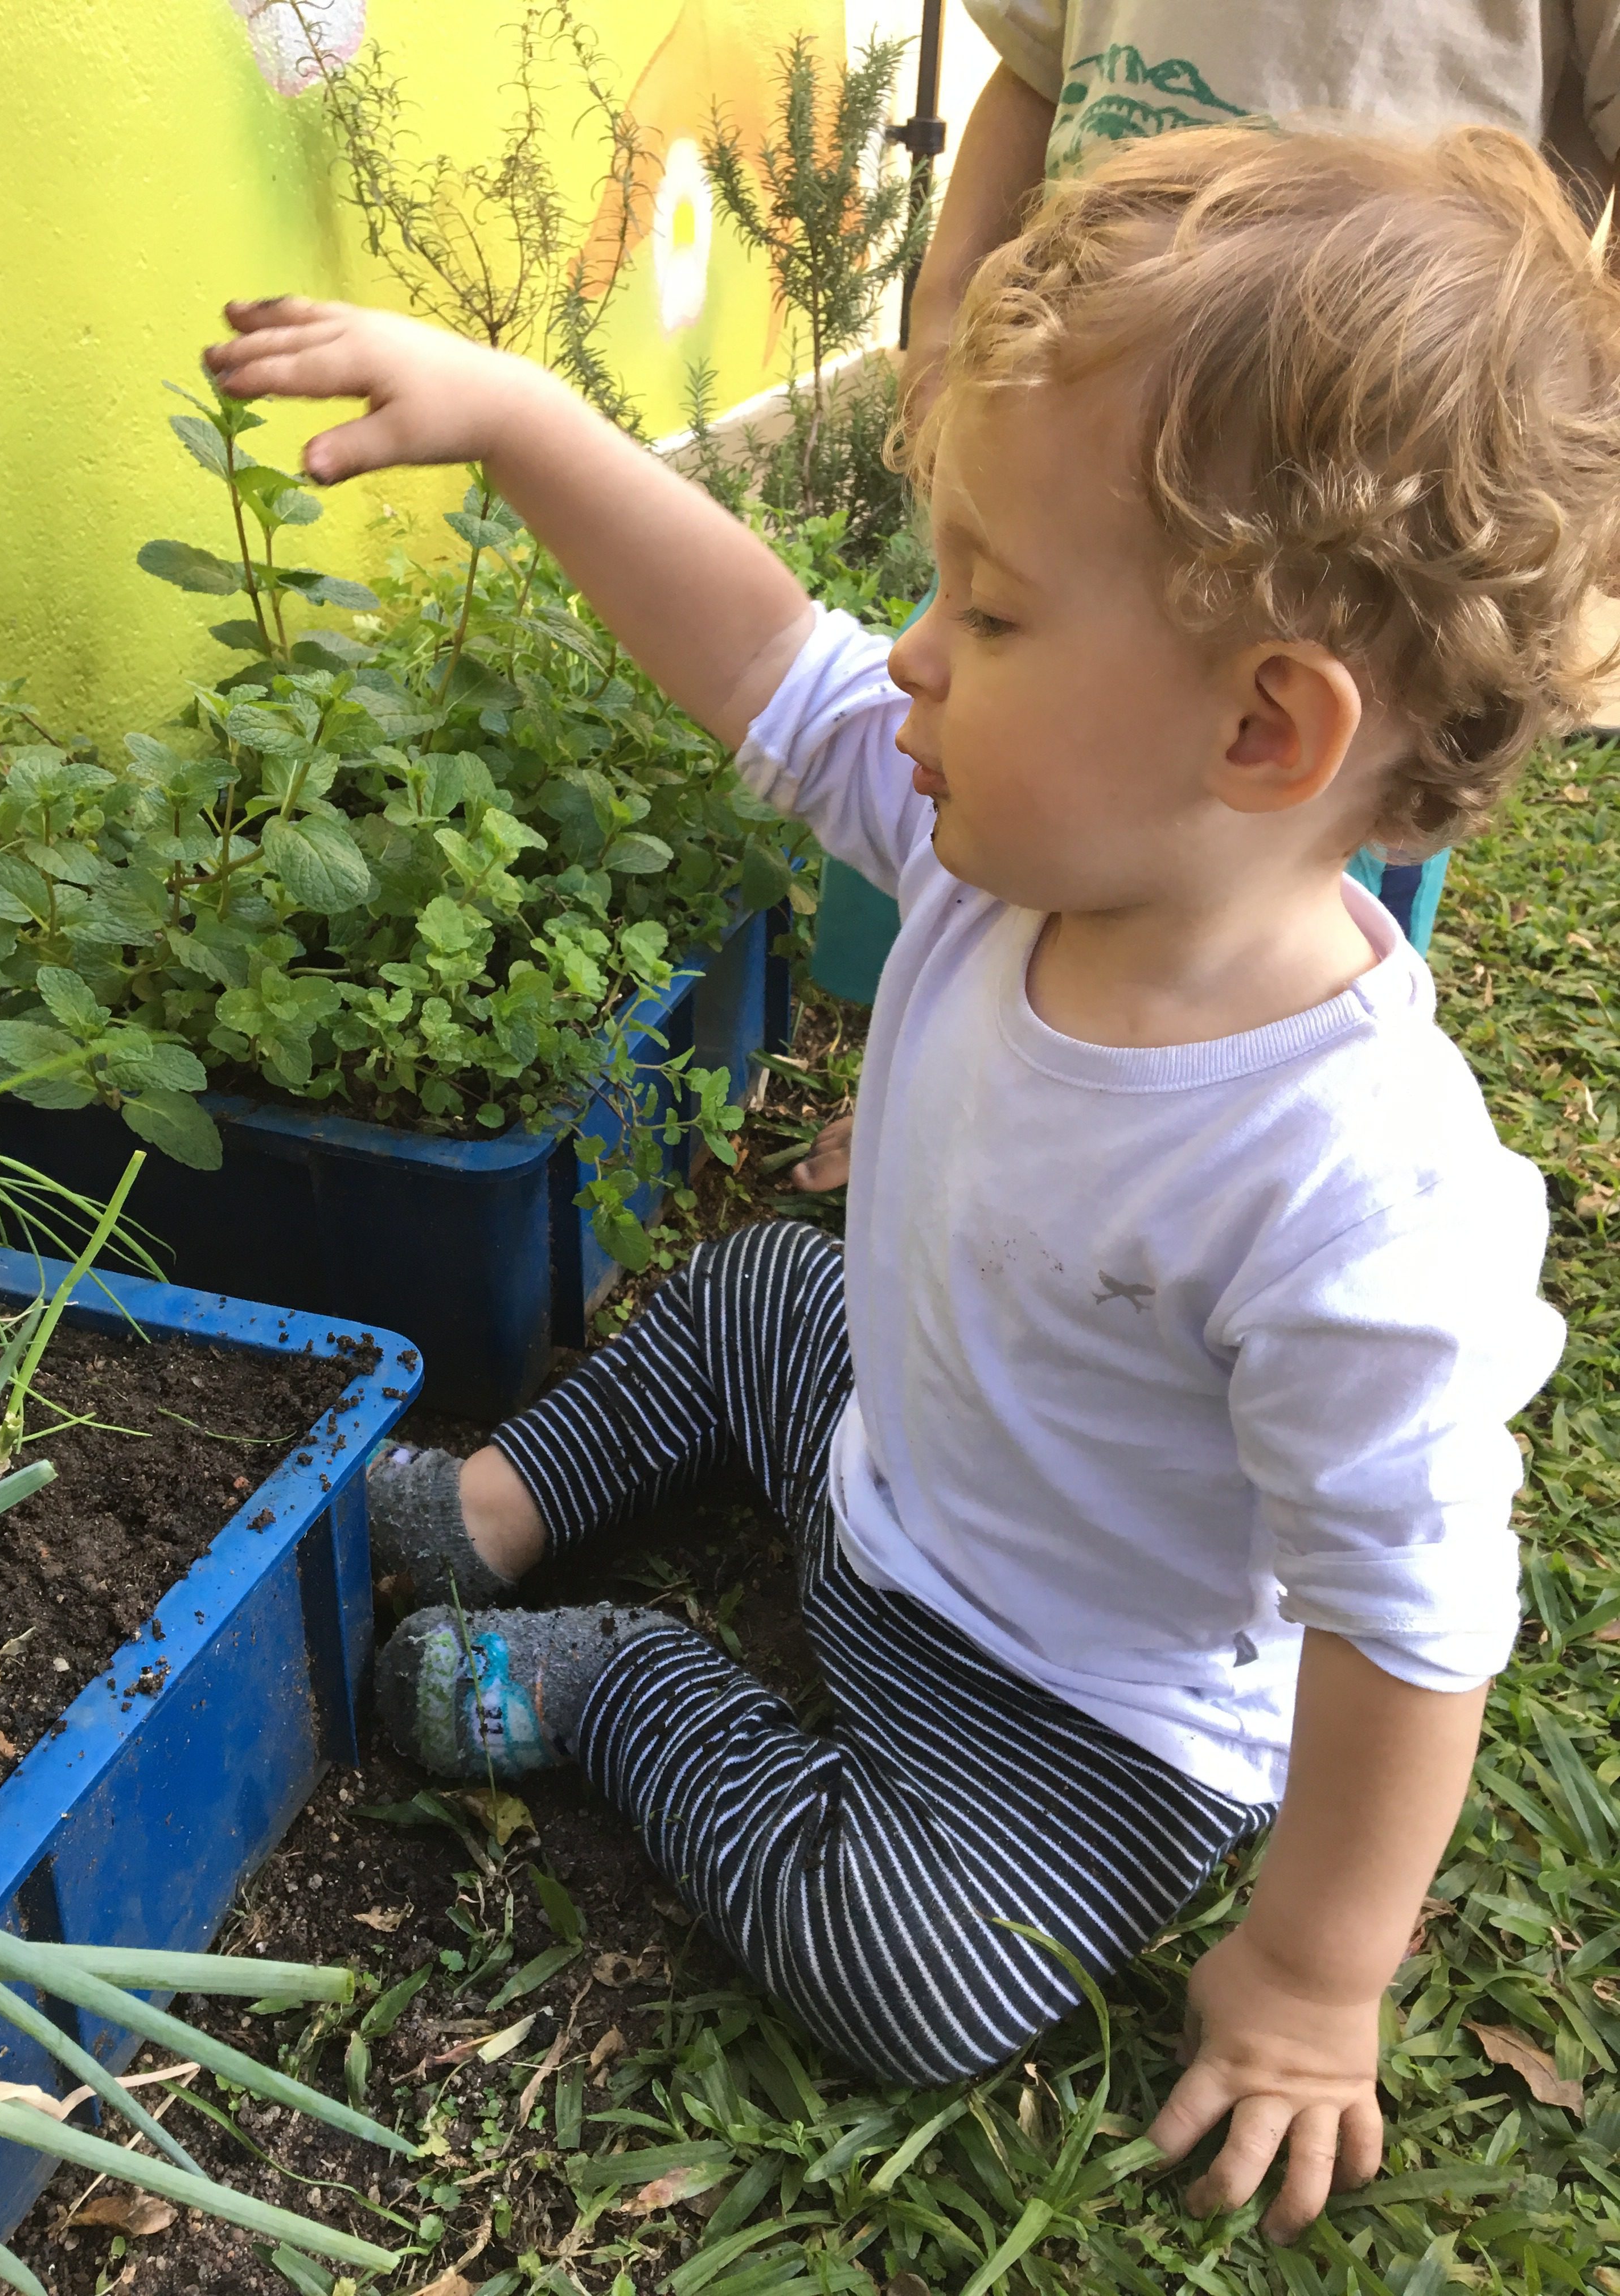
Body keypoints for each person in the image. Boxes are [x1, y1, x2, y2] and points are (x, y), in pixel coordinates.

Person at [202, 119, 1613, 2236]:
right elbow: (761, 651)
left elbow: (1414, 1627)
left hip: (1073, 1708)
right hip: (893, 1446)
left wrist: (1318, 1981)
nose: (915, 658)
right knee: (769, 1294)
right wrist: (520, 419)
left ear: (1263, 734)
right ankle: (496, 1504)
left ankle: (622, 1683)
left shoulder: (1353, 1197)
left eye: (993, 609)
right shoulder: (1010, 839)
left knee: (932, 1974)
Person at [799, 0, 1620, 1193]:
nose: (897, 660)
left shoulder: (1374, 1248)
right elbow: (1032, 72)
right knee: (991, 808)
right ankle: (950, 1087)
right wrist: (945, 332)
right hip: (1080, 432)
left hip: (1365, 482)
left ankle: (1194, 1146)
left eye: (981, 614)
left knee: (1269, 897)